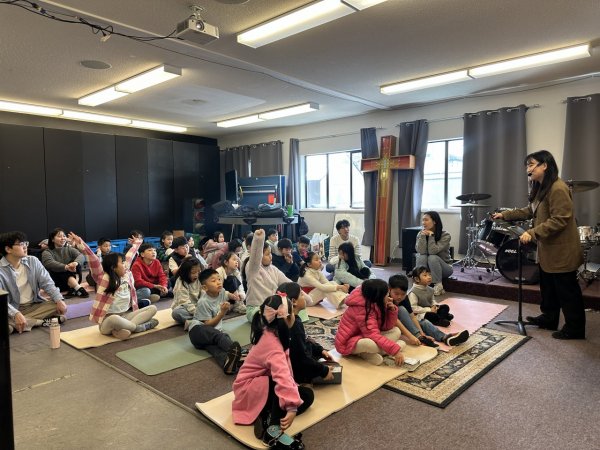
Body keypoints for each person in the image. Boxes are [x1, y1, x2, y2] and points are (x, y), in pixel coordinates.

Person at [492, 150, 585, 339]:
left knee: (567, 290)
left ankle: (575, 328)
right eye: (527, 165)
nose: (528, 169)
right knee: (548, 288)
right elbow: (530, 210)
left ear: (545, 165)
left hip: (562, 250)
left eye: (531, 164)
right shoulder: (541, 187)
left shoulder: (558, 188)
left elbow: (560, 219)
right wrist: (506, 215)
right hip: (547, 250)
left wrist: (533, 233)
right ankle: (549, 319)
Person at [232, 293, 313, 447]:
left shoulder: (270, 331)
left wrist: (292, 398)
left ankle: (265, 414)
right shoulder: (273, 345)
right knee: (282, 387)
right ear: (287, 318)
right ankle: (272, 430)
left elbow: (285, 374)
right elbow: (282, 377)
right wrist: (291, 407)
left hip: (259, 387)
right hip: (249, 389)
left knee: (307, 395)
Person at [70, 233, 158, 340]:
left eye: (125, 263)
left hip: (126, 316)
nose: (125, 265)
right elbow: (93, 260)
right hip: (108, 322)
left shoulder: (126, 274)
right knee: (114, 318)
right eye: (122, 263)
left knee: (152, 308)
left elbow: (130, 255)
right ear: (113, 267)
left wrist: (136, 243)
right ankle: (138, 328)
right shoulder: (104, 277)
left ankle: (122, 330)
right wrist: (81, 243)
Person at [0, 231, 67, 334]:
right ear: (8, 249)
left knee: (57, 305)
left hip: (33, 306)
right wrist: (15, 313)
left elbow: (47, 283)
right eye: (21, 244)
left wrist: (59, 300)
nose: (25, 246)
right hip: (11, 308)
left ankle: (15, 325)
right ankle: (40, 322)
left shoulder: (33, 261)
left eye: (25, 243)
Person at [245, 229, 312, 323]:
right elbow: (255, 256)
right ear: (260, 256)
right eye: (267, 254)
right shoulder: (252, 268)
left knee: (296, 309)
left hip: (273, 306)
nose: (271, 256)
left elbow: (289, 283)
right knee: (269, 317)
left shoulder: (273, 269)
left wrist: (306, 298)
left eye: (271, 253)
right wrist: (259, 240)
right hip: (256, 308)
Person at [334, 279, 406, 366]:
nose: (389, 297)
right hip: (348, 343)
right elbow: (373, 335)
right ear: (378, 296)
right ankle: (365, 352)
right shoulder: (362, 309)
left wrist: (391, 311)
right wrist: (395, 350)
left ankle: (372, 352)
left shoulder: (375, 301)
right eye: (386, 294)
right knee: (369, 344)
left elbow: (386, 327)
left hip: (365, 335)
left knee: (396, 331)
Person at [187, 268, 243, 374]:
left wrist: (233, 296)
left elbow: (226, 293)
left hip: (209, 337)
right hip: (197, 332)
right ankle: (241, 354)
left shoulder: (221, 291)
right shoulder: (203, 302)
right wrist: (222, 313)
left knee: (216, 350)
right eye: (213, 281)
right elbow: (208, 325)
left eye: (219, 279)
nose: (218, 282)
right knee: (220, 336)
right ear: (205, 287)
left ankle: (228, 364)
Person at [389, 274, 468, 347]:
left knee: (424, 322)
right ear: (389, 290)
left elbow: (412, 317)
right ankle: (420, 337)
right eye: (396, 294)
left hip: (404, 323)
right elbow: (395, 321)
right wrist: (413, 336)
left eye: (403, 294)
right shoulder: (386, 299)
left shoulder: (405, 298)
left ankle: (445, 337)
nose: (399, 297)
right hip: (392, 325)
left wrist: (422, 333)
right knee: (401, 309)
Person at [279, 282, 335, 384]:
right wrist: (323, 371)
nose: (304, 297)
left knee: (311, 347)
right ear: (294, 301)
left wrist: (320, 351)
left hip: (292, 359)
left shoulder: (287, 320)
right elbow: (301, 358)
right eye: (301, 294)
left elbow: (304, 341)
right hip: (292, 369)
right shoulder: (294, 325)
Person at [41, 227, 88, 298]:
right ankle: (78, 289)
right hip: (56, 283)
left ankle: (75, 288)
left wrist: (75, 263)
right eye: (59, 236)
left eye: (64, 236)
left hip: (73, 280)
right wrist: (66, 267)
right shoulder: (47, 252)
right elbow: (49, 263)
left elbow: (81, 256)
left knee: (75, 263)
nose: (63, 238)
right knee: (61, 269)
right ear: (52, 239)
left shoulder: (69, 249)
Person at [415, 211, 453, 296]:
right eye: (423, 220)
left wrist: (431, 236)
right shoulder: (421, 234)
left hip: (445, 268)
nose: (423, 222)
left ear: (434, 221)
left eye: (426, 220)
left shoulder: (445, 235)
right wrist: (423, 236)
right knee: (421, 256)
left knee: (432, 257)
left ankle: (438, 285)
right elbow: (420, 251)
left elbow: (433, 251)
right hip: (428, 267)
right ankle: (421, 284)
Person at [171, 257, 202, 329]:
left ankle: (195, 322)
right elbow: (184, 302)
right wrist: (198, 313)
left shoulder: (200, 279)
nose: (196, 275)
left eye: (198, 271)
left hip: (198, 307)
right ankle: (201, 321)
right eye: (193, 273)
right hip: (185, 308)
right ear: (185, 272)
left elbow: (204, 296)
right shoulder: (181, 282)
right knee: (176, 312)